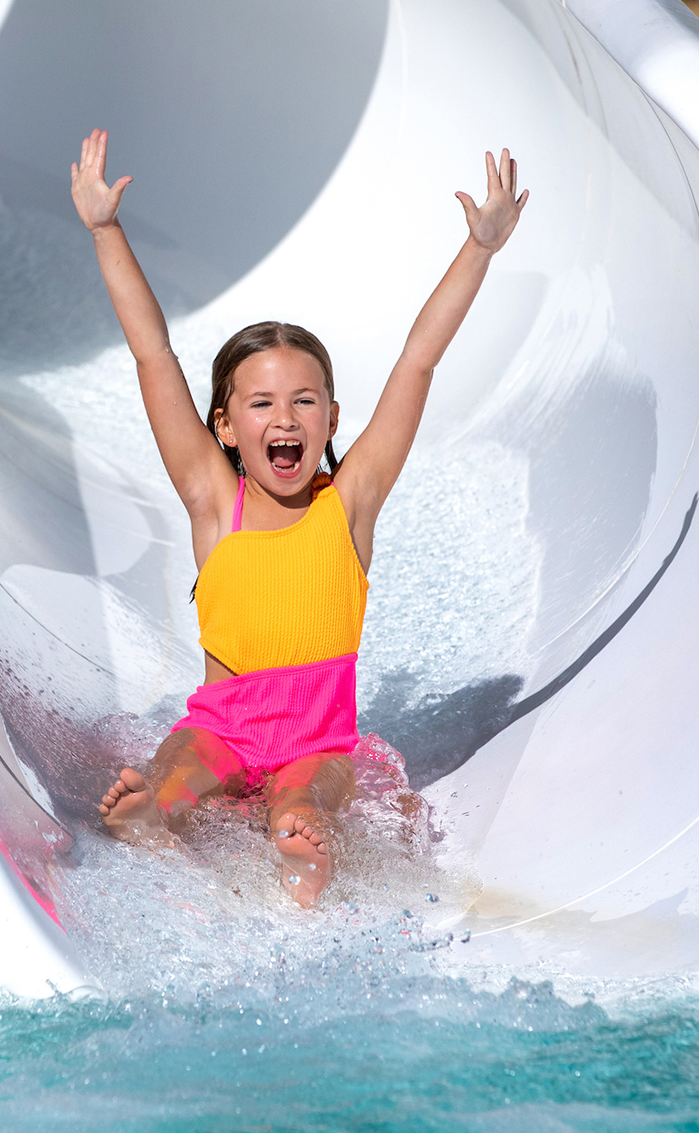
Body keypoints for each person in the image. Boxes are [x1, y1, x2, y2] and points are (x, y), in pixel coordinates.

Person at [72, 128, 526, 907]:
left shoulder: (349, 504)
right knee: (177, 771)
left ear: (331, 418)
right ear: (225, 426)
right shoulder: (214, 503)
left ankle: (301, 851)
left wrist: (480, 249)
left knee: (305, 800)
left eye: (304, 401)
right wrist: (106, 231)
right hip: (222, 727)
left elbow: (418, 361)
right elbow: (153, 356)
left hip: (317, 742)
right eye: (261, 403)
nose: (284, 418)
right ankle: (154, 816)